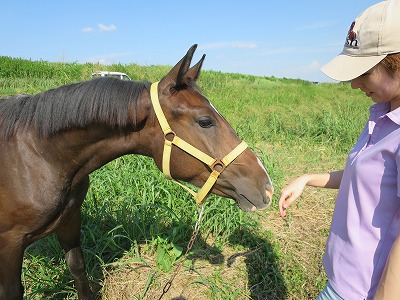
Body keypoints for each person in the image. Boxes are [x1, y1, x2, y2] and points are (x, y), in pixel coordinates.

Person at [278, 0, 400, 299]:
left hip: (366, 289)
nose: (354, 85)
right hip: (344, 277)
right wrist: (308, 178)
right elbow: (369, 179)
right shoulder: (383, 117)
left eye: (364, 72)